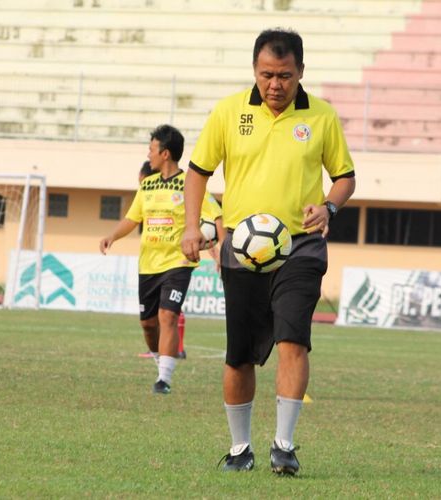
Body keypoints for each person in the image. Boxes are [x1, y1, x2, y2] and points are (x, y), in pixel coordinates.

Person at [182, 29, 356, 475]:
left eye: (284, 75)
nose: (275, 85)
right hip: (240, 249)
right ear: (254, 71)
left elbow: (344, 176)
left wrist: (330, 206)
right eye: (266, 75)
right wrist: (191, 227)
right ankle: (241, 450)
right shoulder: (228, 112)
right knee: (239, 354)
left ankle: (284, 445)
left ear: (301, 72)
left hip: (301, 247)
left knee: (292, 340)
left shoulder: (321, 117)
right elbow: (198, 173)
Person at [100, 125, 222, 395]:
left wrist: (221, 249)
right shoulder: (148, 185)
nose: (149, 154)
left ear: (165, 153)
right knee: (148, 323)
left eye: (152, 149)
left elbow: (217, 216)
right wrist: (112, 236)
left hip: (178, 262)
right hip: (148, 264)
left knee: (168, 315)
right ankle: (160, 364)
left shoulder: (190, 185)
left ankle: (164, 379)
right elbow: (133, 218)